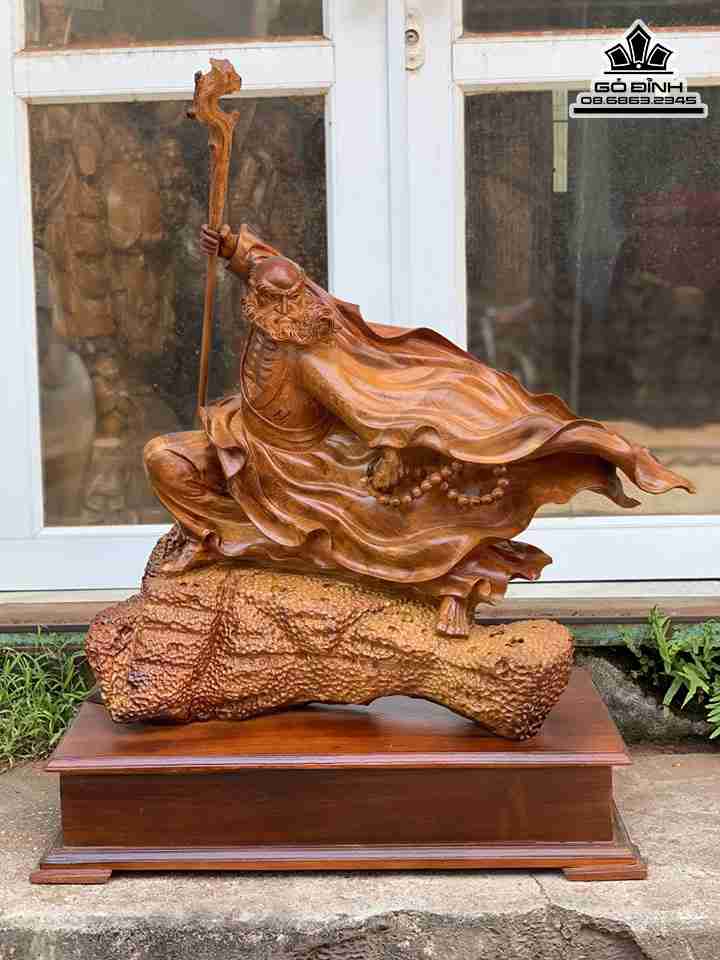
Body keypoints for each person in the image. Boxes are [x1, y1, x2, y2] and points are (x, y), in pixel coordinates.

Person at [144, 222, 693, 637]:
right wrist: (233, 249)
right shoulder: (285, 308)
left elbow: (365, 410)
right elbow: (271, 267)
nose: (268, 307)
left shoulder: (312, 355)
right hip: (242, 436)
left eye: (276, 300)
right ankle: (217, 538)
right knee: (164, 459)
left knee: (378, 537)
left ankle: (456, 581)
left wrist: (390, 447)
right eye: (267, 298)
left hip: (298, 467)